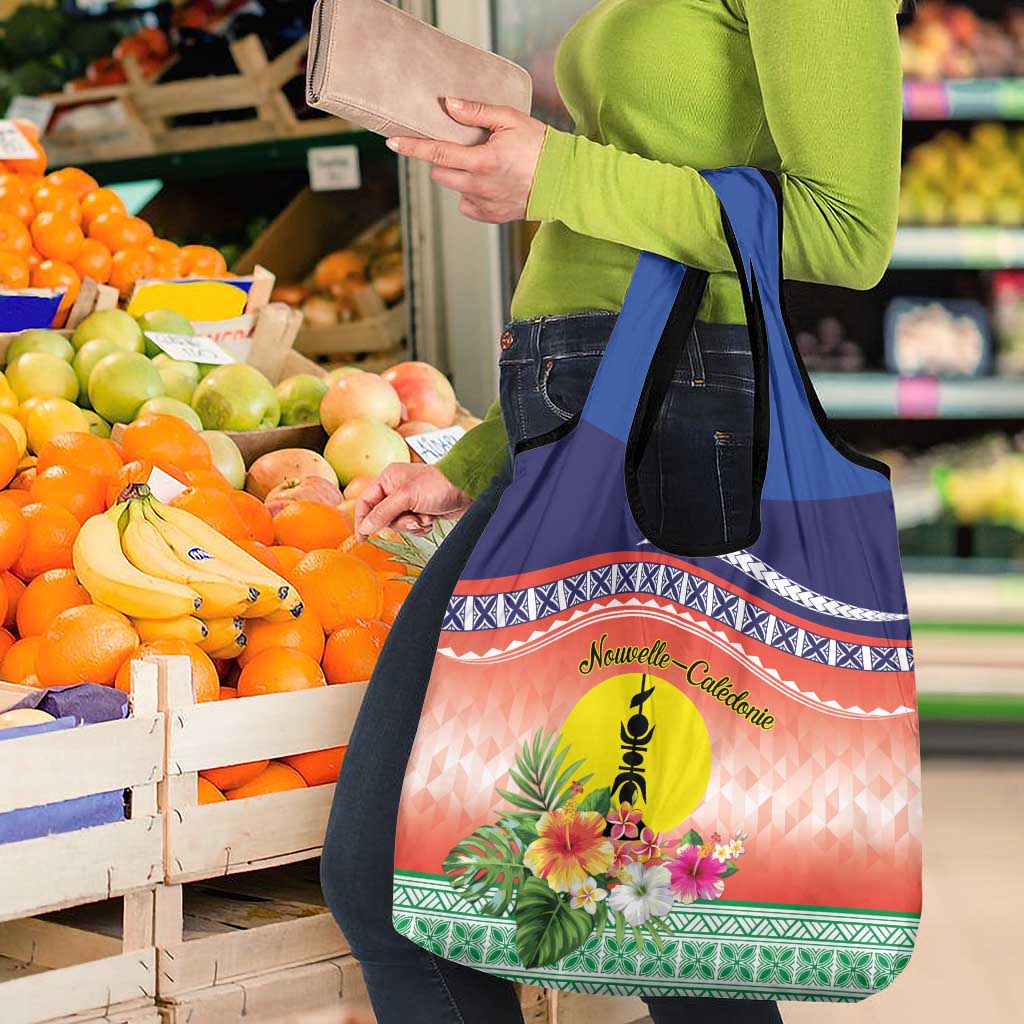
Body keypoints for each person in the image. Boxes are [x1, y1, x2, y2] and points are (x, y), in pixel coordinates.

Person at [321, 2, 905, 1022]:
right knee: (657, 925)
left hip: (675, 440)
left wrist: (557, 173)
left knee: (618, 916)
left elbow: (848, 230)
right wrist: (482, 456)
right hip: (588, 430)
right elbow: (622, 240)